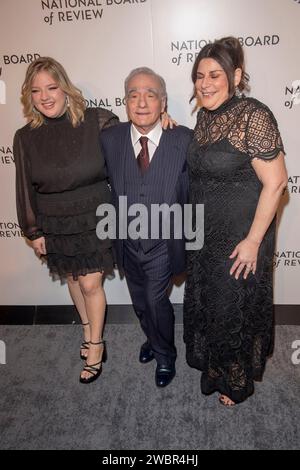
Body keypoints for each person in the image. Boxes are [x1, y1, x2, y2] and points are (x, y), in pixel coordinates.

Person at [183, 37, 288, 406]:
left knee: (232, 309)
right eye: (199, 75)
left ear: (236, 76)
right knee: (211, 305)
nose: (205, 83)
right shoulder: (202, 117)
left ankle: (235, 379)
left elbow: (276, 183)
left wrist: (254, 241)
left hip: (241, 237)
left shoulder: (253, 115)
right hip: (205, 237)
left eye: (214, 74)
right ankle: (216, 367)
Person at [14, 57, 119, 384]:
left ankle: (97, 346)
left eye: (51, 87)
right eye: (36, 90)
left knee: (90, 283)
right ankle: (88, 330)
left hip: (94, 213)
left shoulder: (97, 121)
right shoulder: (25, 137)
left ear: (65, 88)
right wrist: (33, 230)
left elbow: (132, 148)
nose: (45, 96)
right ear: (28, 96)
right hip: (55, 217)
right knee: (74, 279)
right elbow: (24, 185)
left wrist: (161, 122)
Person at [101, 67, 192, 387]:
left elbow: (199, 194)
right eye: (133, 95)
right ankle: (152, 339)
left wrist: (193, 243)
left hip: (164, 244)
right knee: (140, 303)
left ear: (163, 102)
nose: (141, 102)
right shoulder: (109, 138)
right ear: (124, 101)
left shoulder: (183, 138)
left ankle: (166, 355)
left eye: (150, 95)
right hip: (126, 242)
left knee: (156, 301)